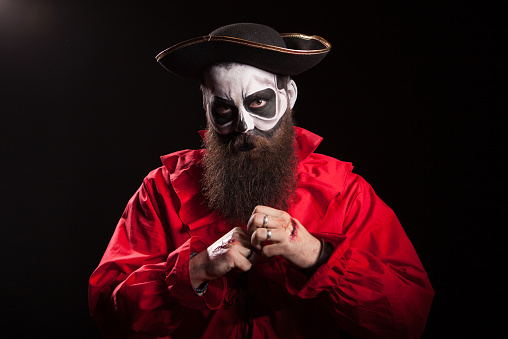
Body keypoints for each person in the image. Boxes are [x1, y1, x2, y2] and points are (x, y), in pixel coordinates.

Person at [89, 23, 434, 338]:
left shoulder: (345, 192)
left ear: (288, 97)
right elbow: (111, 314)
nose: (244, 125)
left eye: (258, 102)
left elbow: (407, 320)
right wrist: (196, 269)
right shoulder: (161, 190)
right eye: (224, 109)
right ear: (206, 107)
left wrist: (317, 255)